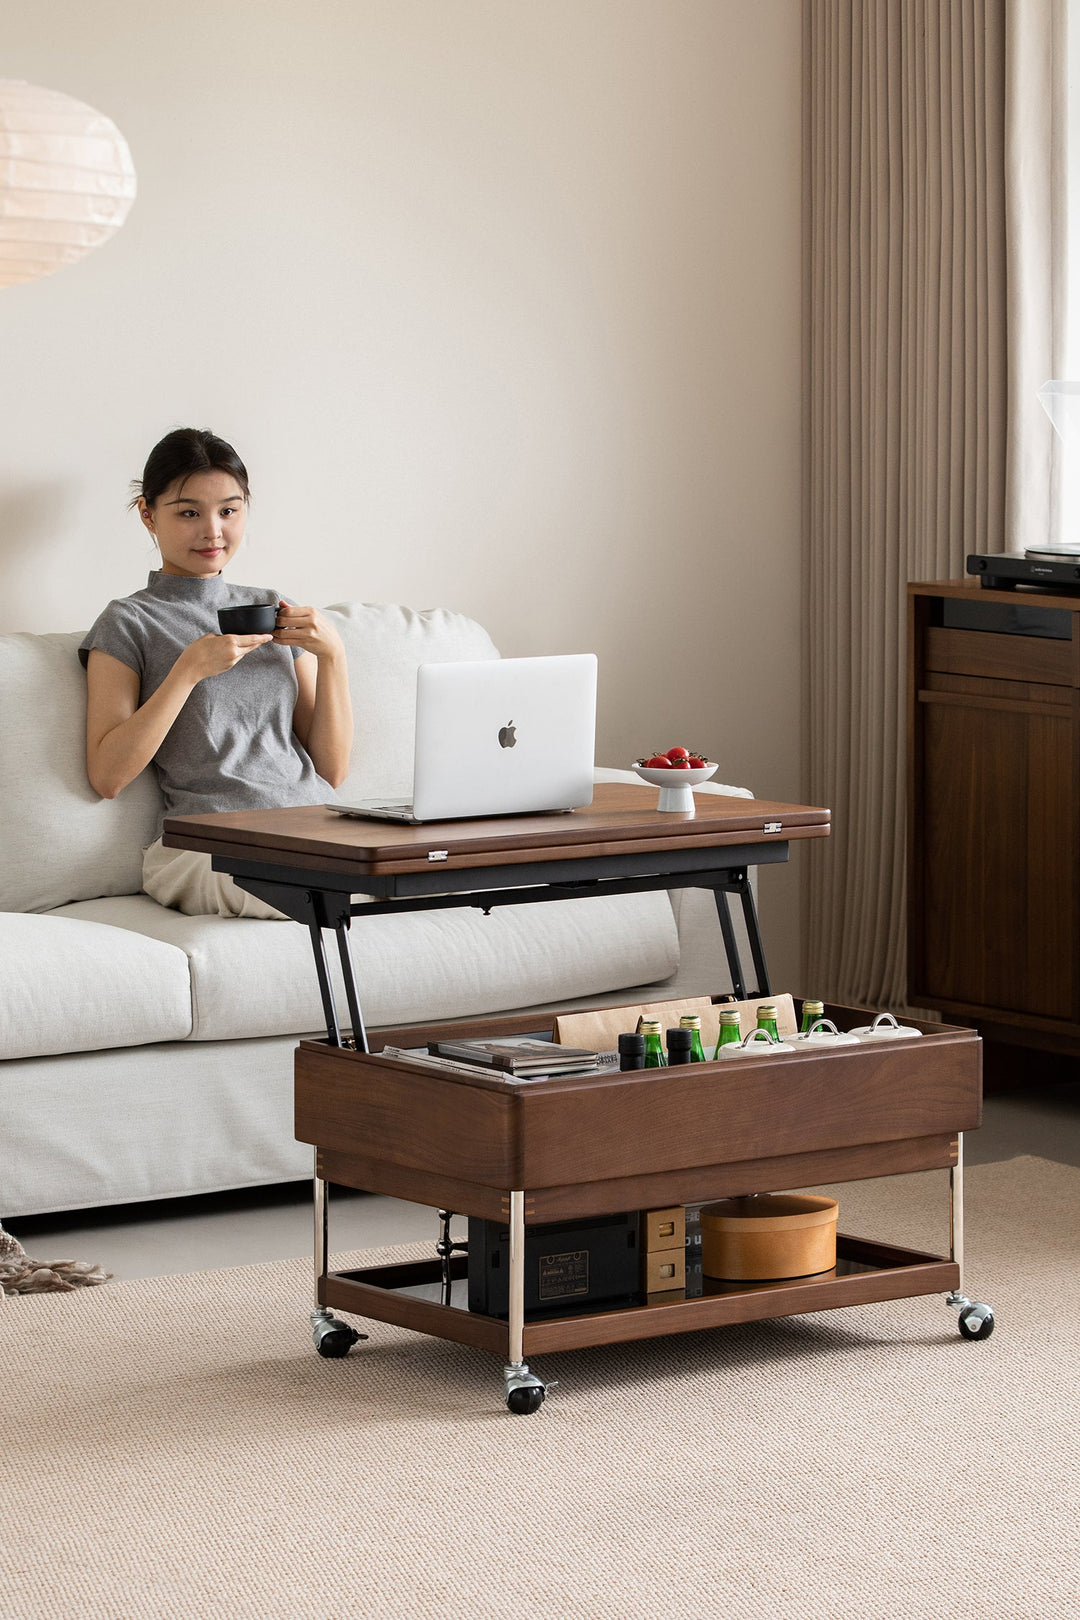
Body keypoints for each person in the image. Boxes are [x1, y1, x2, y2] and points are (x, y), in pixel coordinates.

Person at [80, 428, 352, 919]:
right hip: (203, 845)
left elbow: (330, 771)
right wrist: (186, 673)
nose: (213, 531)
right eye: (189, 512)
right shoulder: (128, 622)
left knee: (414, 868)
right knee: (313, 889)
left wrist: (332, 656)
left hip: (309, 830)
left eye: (229, 510)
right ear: (148, 514)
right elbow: (107, 776)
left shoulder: (272, 608)